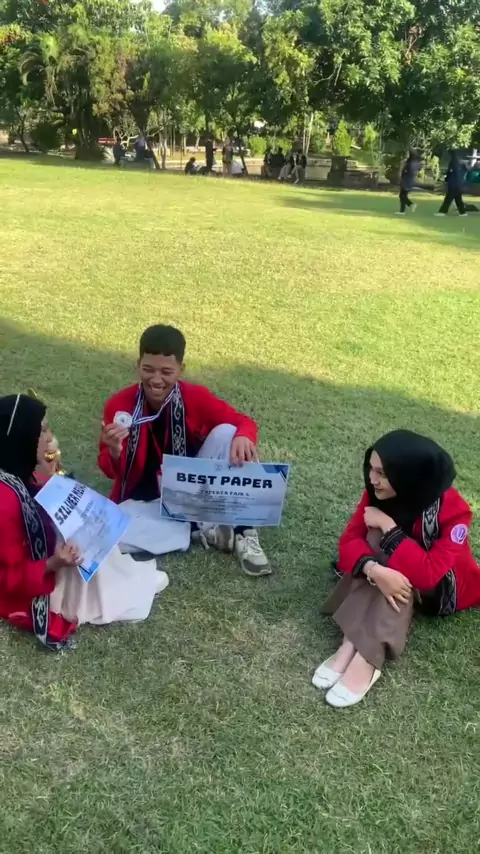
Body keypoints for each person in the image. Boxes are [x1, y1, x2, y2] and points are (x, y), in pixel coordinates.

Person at [313, 430, 480, 708]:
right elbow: (349, 541)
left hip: (441, 589)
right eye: (371, 468)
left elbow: (428, 575)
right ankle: (350, 644)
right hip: (393, 572)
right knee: (375, 541)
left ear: (408, 475)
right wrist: (375, 571)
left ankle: (367, 656)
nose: (372, 479)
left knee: (384, 539)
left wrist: (388, 526)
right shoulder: (380, 493)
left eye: (382, 473)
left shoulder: (455, 512)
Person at [98, 324, 271, 577]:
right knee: (104, 534)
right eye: (148, 369)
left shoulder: (195, 397)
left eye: (166, 372)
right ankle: (201, 529)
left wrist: (244, 435)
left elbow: (242, 421)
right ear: (138, 365)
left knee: (227, 433)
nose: (156, 380)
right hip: (148, 500)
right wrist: (113, 451)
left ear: (181, 369)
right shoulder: (119, 404)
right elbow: (110, 470)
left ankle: (244, 530)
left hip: (192, 492)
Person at [0, 395, 169, 651]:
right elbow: (6, 577)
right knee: (71, 529)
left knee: (83, 517)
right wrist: (54, 563)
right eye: (41, 431)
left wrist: (52, 476)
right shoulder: (4, 502)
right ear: (21, 437)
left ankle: (118, 579)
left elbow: (43, 498)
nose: (49, 437)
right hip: (32, 578)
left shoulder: (17, 469)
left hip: (40, 557)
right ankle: (108, 594)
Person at [436, 150, 467, 216]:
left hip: (453, 184)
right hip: (458, 185)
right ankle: (462, 212)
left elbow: (450, 173)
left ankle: (442, 212)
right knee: (458, 199)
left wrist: (446, 178)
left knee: (448, 199)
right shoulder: (458, 165)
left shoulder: (453, 164)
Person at [397, 151, 419, 215]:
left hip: (406, 180)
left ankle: (402, 211)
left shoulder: (408, 163)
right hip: (409, 180)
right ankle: (411, 205)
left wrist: (401, 174)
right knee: (402, 195)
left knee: (402, 195)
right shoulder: (414, 162)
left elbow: (403, 170)